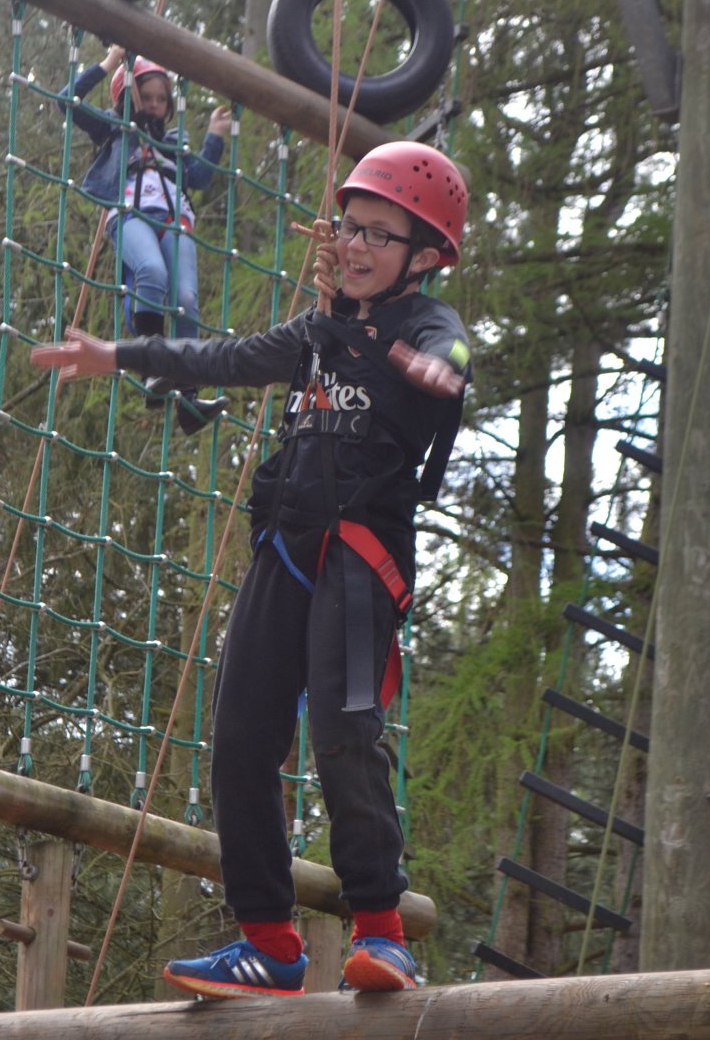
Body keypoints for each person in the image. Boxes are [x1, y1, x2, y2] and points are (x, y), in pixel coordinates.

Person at [32, 140, 471, 996]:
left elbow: (454, 352)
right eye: (350, 227)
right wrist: (120, 354)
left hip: (360, 558)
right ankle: (269, 942)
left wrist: (436, 369)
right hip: (286, 549)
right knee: (237, 739)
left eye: (378, 235)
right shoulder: (317, 333)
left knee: (344, 733)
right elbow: (224, 359)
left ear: (423, 256)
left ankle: (383, 934)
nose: (355, 245)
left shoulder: (425, 326)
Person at [61, 44, 233, 434]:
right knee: (151, 272)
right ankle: (154, 369)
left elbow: (199, 178)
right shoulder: (114, 130)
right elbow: (68, 102)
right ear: (128, 97)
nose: (155, 105)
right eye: (147, 96)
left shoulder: (172, 143)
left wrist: (214, 137)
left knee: (186, 300)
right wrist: (109, 62)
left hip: (175, 220)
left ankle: (188, 399)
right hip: (130, 214)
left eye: (161, 99)